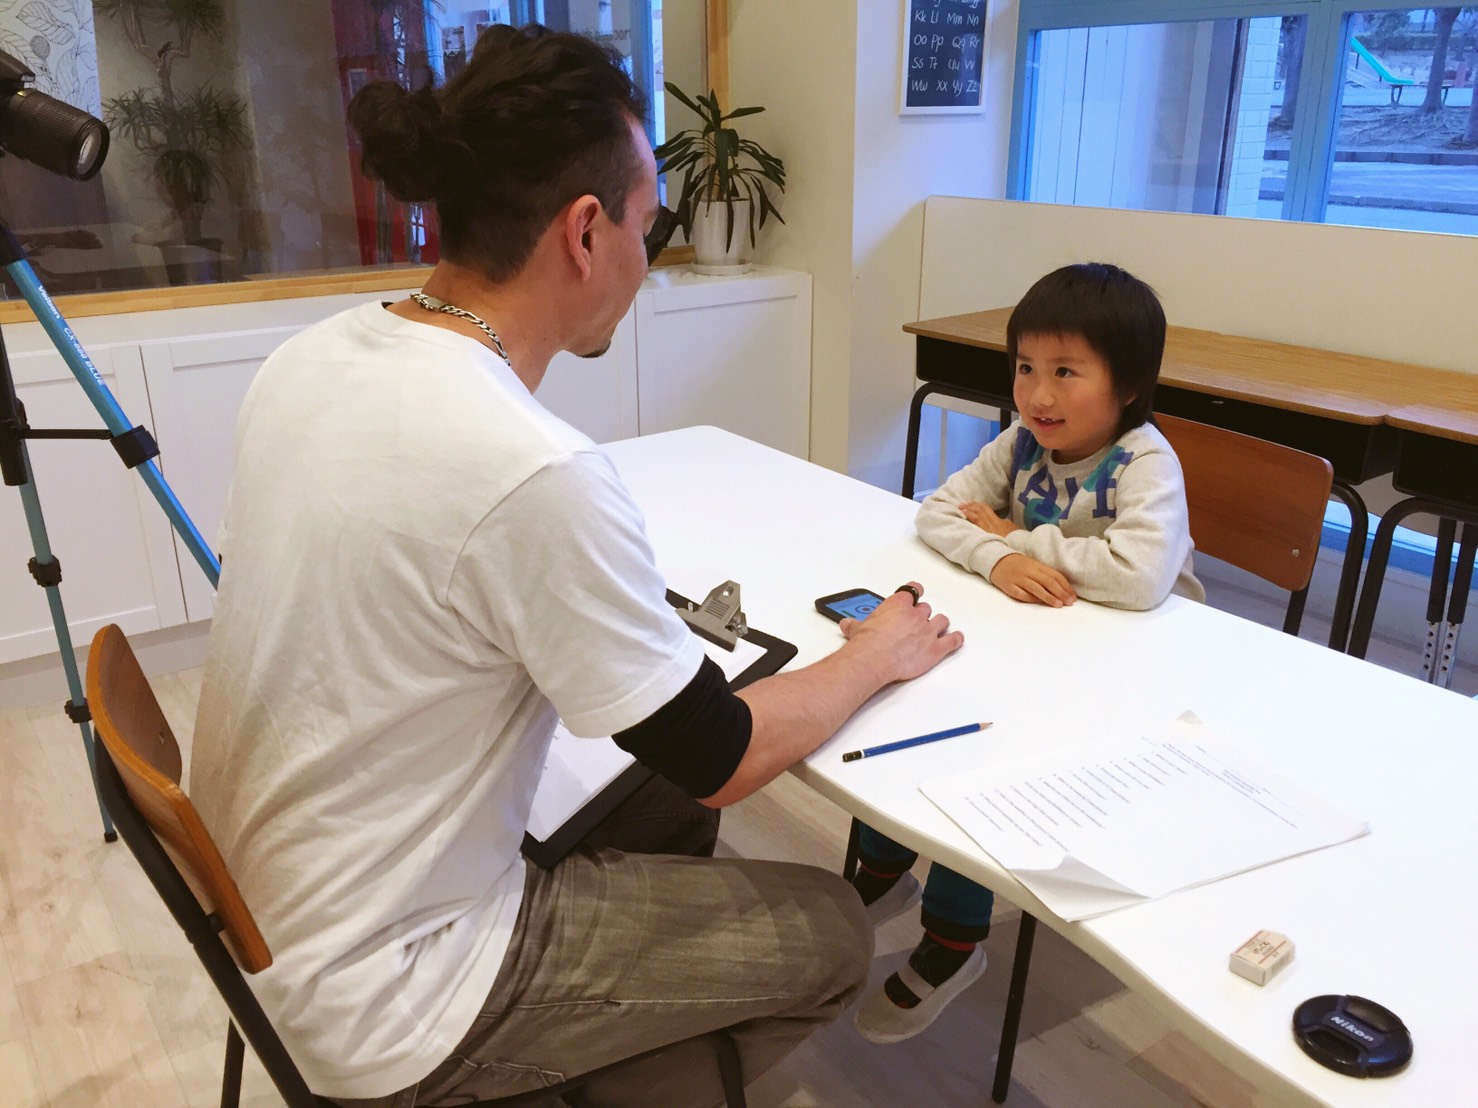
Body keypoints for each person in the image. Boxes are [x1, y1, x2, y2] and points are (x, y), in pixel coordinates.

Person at [187, 24, 964, 1108]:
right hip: (385, 991)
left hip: (263, 913)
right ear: (586, 231)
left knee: (666, 806)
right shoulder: (528, 467)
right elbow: (723, 754)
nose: (649, 258)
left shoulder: (310, 358)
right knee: (830, 931)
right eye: (651, 225)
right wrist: (875, 652)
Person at [850, 262, 1204, 1044]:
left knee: (978, 764)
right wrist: (996, 560)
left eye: (1066, 372)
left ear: (1129, 386)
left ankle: (954, 941)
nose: (1038, 394)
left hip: (1127, 676)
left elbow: (1138, 578)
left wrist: (1014, 536)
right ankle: (881, 871)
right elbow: (935, 513)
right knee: (900, 710)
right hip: (1032, 644)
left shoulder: (1144, 461)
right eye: (1025, 368)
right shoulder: (1020, 445)